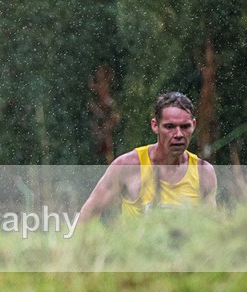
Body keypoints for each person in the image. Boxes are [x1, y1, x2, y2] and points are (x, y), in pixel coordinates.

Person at [79, 91, 217, 222]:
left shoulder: (204, 172)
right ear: (155, 125)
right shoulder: (128, 166)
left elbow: (212, 233)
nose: (178, 134)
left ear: (193, 125)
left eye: (185, 127)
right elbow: (87, 216)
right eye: (170, 127)